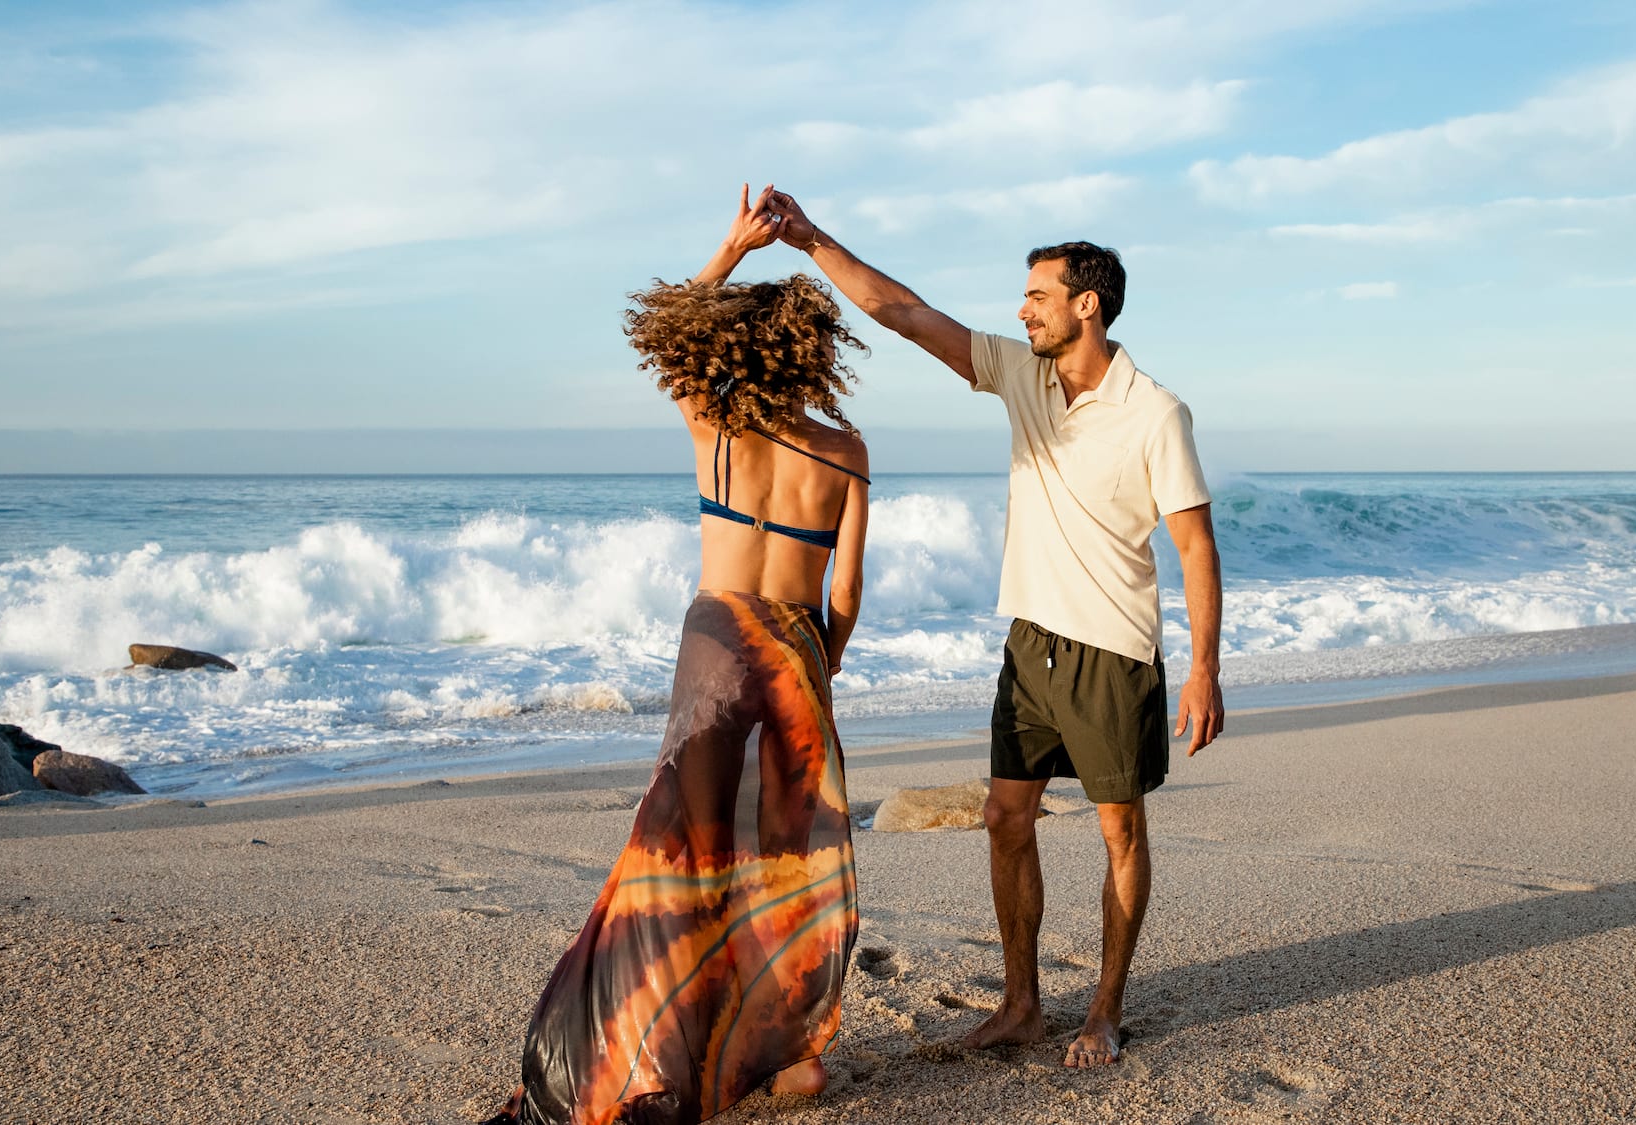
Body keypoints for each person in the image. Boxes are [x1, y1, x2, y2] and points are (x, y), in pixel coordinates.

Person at [763, 190, 1224, 1069]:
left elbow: (1195, 545)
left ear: (1087, 304)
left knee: (1120, 834)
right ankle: (1022, 1004)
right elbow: (905, 314)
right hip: (1031, 644)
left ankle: (1105, 1010)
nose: (1022, 311)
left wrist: (1204, 668)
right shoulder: (1022, 374)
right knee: (1005, 816)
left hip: (1112, 653)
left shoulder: (1155, 412)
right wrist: (811, 239)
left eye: (1038, 297)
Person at [487, 186, 869, 1125]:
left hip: (714, 648)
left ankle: (656, 1047)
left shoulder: (714, 422)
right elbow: (846, 594)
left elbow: (665, 335)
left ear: (740, 346)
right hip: (795, 651)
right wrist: (817, 663)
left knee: (685, 850)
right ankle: (789, 1054)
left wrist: (731, 250)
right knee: (787, 851)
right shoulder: (848, 452)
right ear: (816, 351)